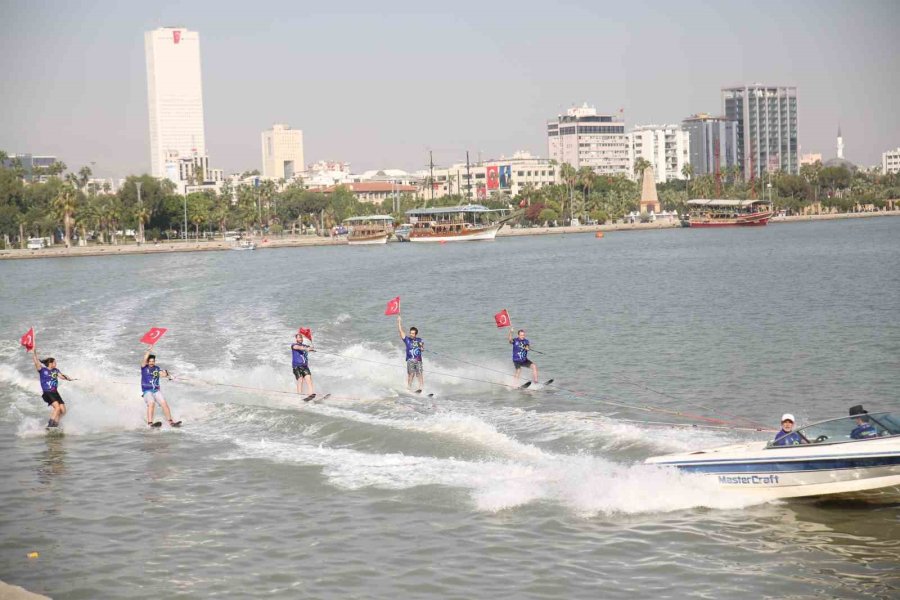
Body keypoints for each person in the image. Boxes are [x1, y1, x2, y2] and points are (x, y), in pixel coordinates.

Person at [31, 346, 73, 429]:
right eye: (55, 362)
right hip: (47, 392)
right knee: (57, 408)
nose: (56, 363)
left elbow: (61, 376)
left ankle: (55, 424)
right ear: (50, 363)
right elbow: (36, 362)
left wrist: (67, 377)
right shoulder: (42, 370)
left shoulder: (56, 370)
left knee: (63, 411)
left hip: (55, 392)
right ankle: (50, 426)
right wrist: (34, 352)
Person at [141, 345, 179, 427]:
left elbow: (163, 373)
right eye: (150, 361)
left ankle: (171, 422)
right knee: (151, 403)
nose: (151, 363)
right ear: (147, 362)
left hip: (156, 391)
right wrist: (149, 350)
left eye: (153, 361)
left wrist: (169, 376)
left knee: (164, 403)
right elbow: (144, 359)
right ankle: (150, 423)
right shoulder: (144, 368)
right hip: (147, 391)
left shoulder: (157, 368)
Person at [397, 315, 424, 390]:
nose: (411, 334)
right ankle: (409, 388)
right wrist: (399, 322)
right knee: (411, 374)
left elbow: (422, 349)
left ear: (416, 334)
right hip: (410, 360)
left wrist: (421, 347)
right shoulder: (407, 339)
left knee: (419, 374)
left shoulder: (419, 340)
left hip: (418, 360)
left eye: (413, 333)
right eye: (410, 333)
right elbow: (400, 331)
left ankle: (421, 388)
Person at [291, 331, 315, 399]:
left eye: (301, 337)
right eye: (299, 337)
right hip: (297, 366)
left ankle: (311, 395)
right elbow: (298, 347)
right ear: (296, 339)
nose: (301, 339)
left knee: (309, 379)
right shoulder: (293, 345)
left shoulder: (305, 345)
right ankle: (299, 396)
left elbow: (311, 348)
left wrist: (311, 348)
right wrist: (306, 349)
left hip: (305, 366)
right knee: (300, 380)